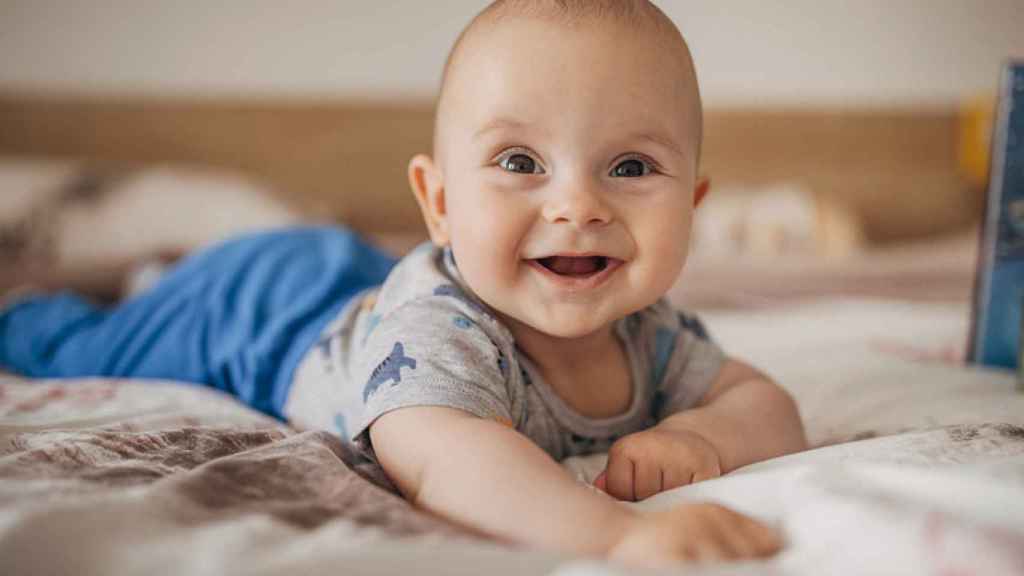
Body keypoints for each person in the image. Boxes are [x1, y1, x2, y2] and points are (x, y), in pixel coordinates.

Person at [0, 0, 807, 568]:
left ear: (693, 206)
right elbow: (449, 464)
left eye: (631, 167)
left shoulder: (650, 331)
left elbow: (764, 402)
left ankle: (157, 276)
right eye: (520, 162)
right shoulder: (440, 335)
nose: (577, 206)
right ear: (441, 203)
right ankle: (63, 301)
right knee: (76, 341)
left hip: (357, 283)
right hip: (264, 308)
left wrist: (703, 439)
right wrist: (619, 538)